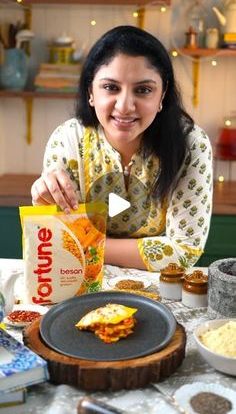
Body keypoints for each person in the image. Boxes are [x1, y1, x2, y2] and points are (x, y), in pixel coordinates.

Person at [31, 25, 213, 272]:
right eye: (111, 87)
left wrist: (87, 244)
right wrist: (44, 201)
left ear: (162, 94)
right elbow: (57, 237)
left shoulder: (191, 144)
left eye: (143, 90)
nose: (125, 106)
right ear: (90, 92)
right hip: (82, 280)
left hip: (161, 288)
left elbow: (184, 251)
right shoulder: (67, 140)